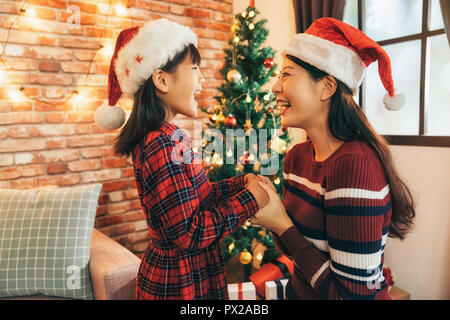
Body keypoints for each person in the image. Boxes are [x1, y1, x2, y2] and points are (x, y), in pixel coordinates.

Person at [95, 19, 270, 300]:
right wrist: (251, 201)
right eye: (194, 69)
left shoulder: (170, 136)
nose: (201, 81)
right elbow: (191, 233)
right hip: (178, 284)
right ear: (162, 80)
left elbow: (198, 199)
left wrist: (242, 184)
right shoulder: (160, 144)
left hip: (191, 275)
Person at [250, 17, 415, 300]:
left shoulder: (354, 165)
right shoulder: (296, 158)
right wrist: (271, 210)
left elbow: (349, 297)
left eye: (287, 74)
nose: (275, 87)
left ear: (326, 87)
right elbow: (295, 251)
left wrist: (280, 224)